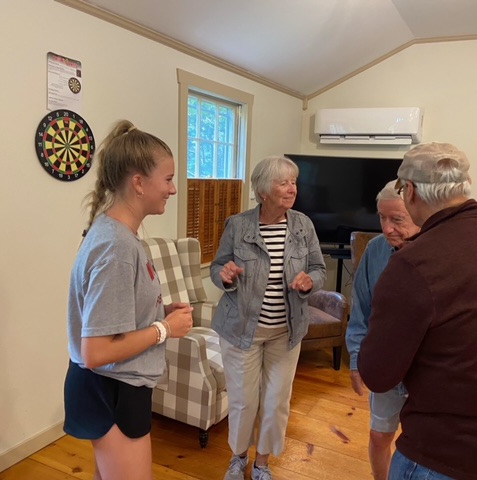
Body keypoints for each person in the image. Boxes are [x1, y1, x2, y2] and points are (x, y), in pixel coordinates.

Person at [358, 142, 477, 480]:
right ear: (466, 185)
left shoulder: (414, 263)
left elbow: (376, 374)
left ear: (410, 191)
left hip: (449, 454)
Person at [63, 120, 194, 480]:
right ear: (138, 183)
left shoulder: (118, 235)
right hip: (111, 391)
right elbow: (97, 350)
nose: (173, 189)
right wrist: (164, 328)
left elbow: (113, 315)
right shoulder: (117, 247)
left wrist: (157, 311)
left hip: (117, 387)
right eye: (168, 179)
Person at [210, 155, 326, 480]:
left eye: (294, 182)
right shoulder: (238, 225)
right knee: (244, 401)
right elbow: (217, 266)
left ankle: (262, 463)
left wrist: (310, 281)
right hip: (240, 330)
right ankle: (238, 458)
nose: (292, 189)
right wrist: (225, 275)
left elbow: (318, 268)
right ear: (263, 191)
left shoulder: (303, 225)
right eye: (283, 182)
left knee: (276, 402)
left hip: (285, 333)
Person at [345, 180, 420, 480]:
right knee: (379, 436)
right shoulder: (375, 250)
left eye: (397, 219)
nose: (387, 228)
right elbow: (360, 310)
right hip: (386, 367)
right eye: (381, 217)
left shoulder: (437, 252)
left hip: (426, 372)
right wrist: (356, 360)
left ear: (418, 211)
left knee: (420, 446)